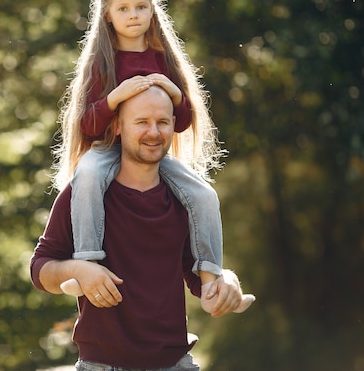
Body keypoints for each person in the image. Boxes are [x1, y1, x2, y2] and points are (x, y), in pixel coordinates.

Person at [52, 0, 254, 313]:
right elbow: (87, 124)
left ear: (153, 10)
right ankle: (87, 265)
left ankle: (210, 280)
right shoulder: (103, 61)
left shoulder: (163, 57)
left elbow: (183, 121)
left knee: (203, 194)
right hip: (109, 149)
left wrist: (174, 92)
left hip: (150, 154)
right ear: (109, 15)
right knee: (86, 176)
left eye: (141, 7)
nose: (134, 15)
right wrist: (116, 96)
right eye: (124, 9)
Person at [31, 85, 246, 370]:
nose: (154, 132)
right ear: (118, 126)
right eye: (142, 122)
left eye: (163, 122)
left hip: (174, 363)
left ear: (174, 126)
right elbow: (39, 269)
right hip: (102, 365)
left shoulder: (185, 201)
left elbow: (197, 277)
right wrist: (77, 269)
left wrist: (226, 281)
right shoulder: (82, 194)